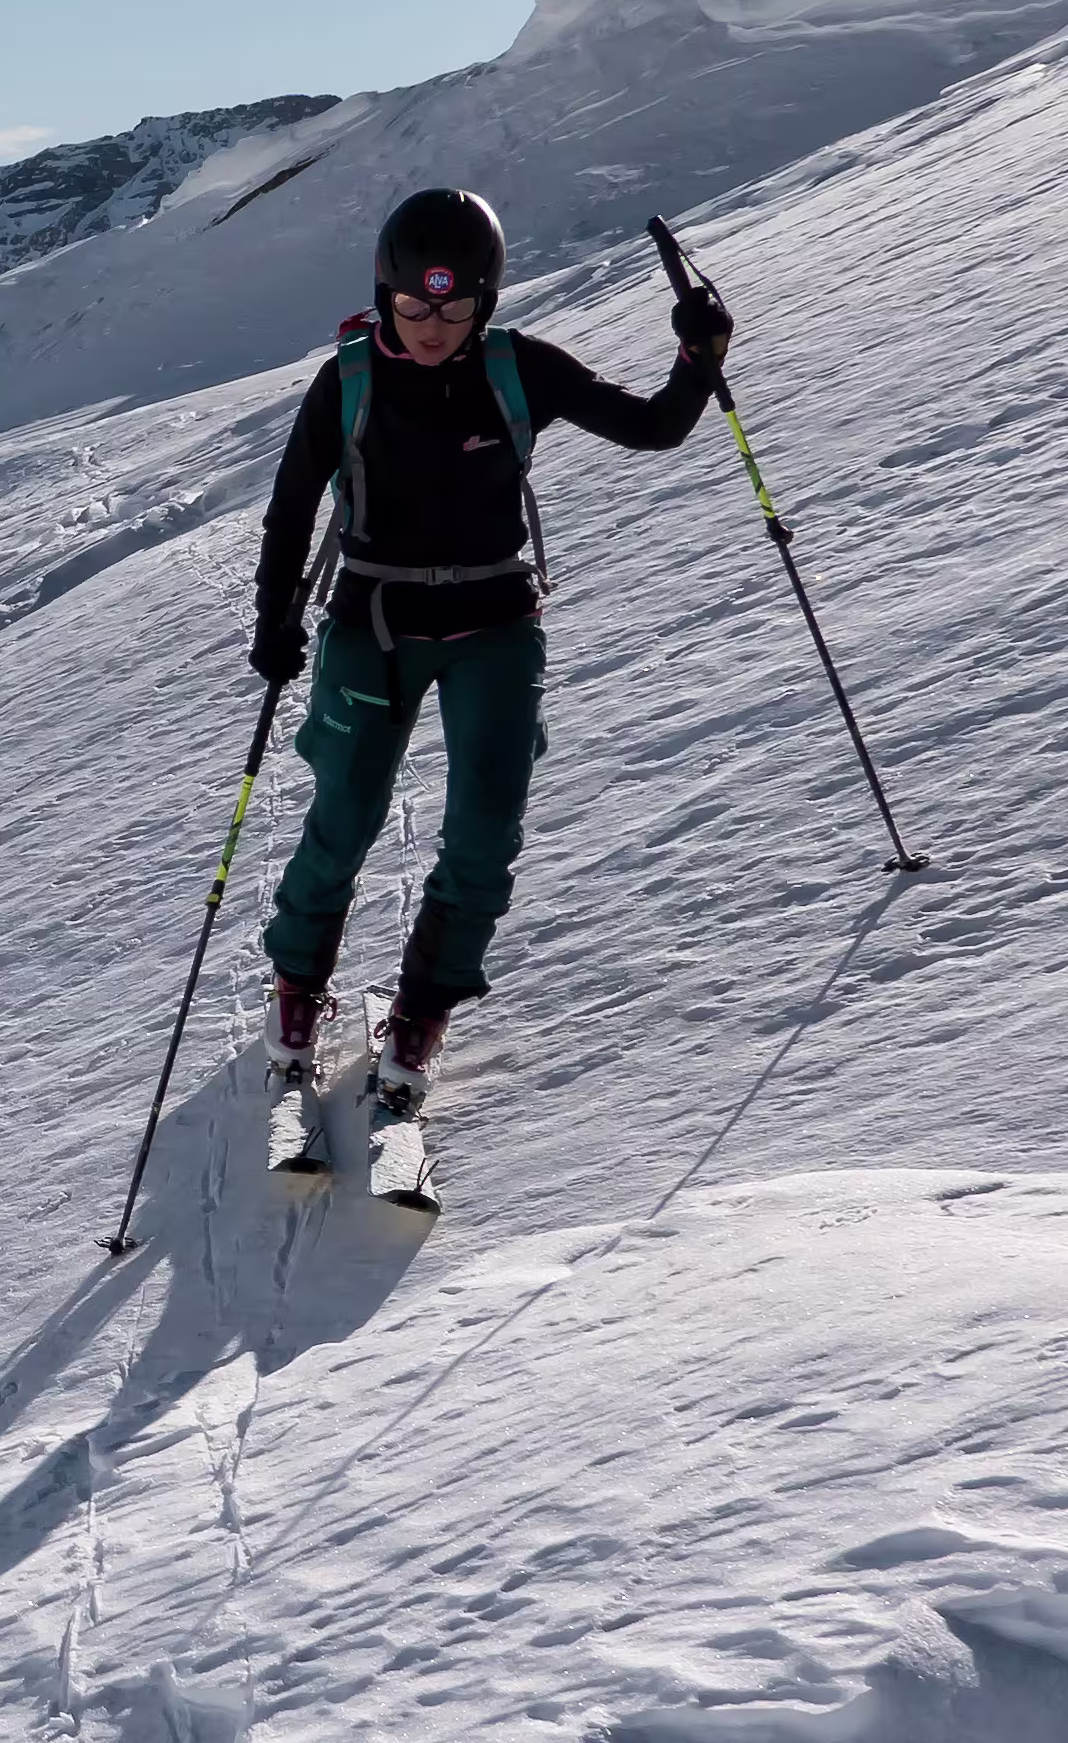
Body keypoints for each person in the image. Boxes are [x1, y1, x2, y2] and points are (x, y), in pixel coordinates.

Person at [245, 185, 731, 1086]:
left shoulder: (519, 366)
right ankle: (297, 982)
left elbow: (652, 429)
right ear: (385, 294)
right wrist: (275, 620)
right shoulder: (348, 379)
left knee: (484, 831)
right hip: (373, 621)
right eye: (413, 305)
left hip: (495, 625)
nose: (432, 325)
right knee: (344, 817)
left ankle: (423, 1010)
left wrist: (697, 359)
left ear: (486, 301)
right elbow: (291, 508)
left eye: (456, 306)